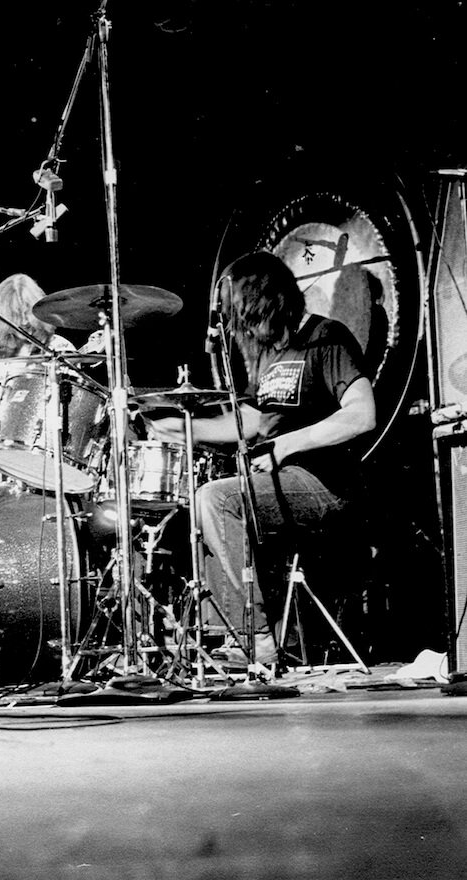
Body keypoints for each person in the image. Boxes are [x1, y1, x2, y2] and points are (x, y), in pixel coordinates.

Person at [147, 250, 376, 667]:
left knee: (215, 500)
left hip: (326, 482)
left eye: (245, 317)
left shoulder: (326, 338)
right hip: (285, 480)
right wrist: (181, 429)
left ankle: (258, 637)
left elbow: (362, 415)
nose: (244, 330)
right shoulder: (274, 356)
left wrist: (286, 447)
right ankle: (228, 637)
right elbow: (250, 422)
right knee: (204, 505)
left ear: (265, 304)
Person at [0, 273, 100, 483]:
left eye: (26, 313)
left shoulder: (60, 347)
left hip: (42, 448)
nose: (23, 321)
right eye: (14, 315)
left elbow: (73, 412)